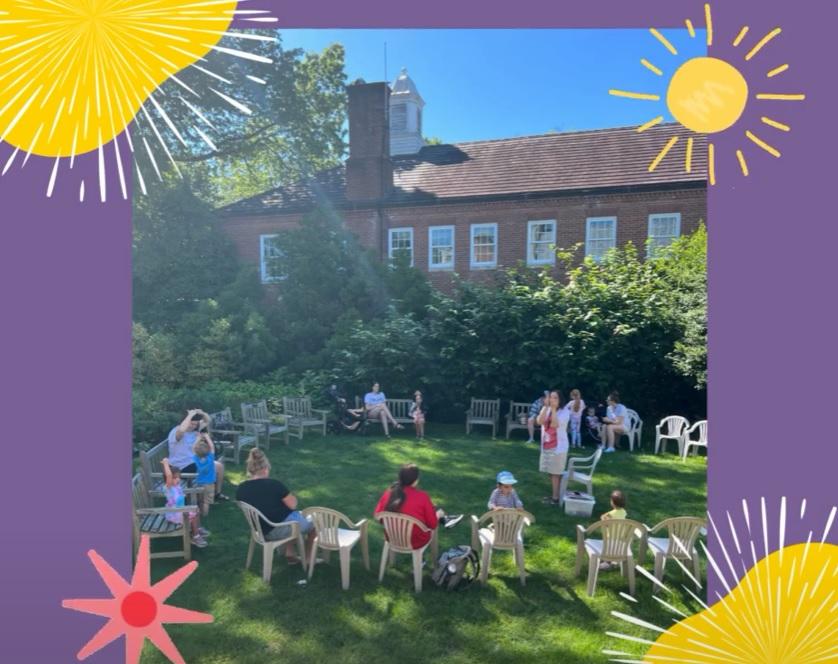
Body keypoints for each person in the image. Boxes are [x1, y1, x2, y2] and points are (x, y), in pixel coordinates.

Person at [235, 449, 313, 564]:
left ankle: (290, 553)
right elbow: (293, 505)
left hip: (260, 529)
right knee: (314, 522)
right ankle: (308, 559)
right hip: (275, 530)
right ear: (266, 469)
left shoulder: (241, 489)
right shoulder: (274, 485)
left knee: (291, 518)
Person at [374, 464, 463, 549]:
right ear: (416, 480)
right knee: (435, 511)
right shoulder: (422, 496)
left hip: (391, 537)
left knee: (431, 508)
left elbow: (378, 516)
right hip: (416, 541)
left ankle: (445, 519)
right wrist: (438, 515)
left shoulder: (389, 493)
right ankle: (444, 519)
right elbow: (432, 525)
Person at [167, 409, 228, 501]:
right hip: (181, 467)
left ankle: (217, 493)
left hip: (193, 462)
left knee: (219, 466)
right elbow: (182, 430)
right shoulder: (176, 432)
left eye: (195, 424)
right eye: (191, 424)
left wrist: (201, 413)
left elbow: (208, 420)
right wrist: (190, 415)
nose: (193, 426)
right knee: (215, 466)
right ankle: (206, 497)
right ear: (185, 421)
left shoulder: (193, 432)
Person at [161, 457, 208, 548]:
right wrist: (165, 464)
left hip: (180, 511)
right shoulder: (168, 488)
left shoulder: (176, 486)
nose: (177, 479)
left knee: (196, 510)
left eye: (178, 477)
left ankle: (197, 529)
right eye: (174, 478)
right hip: (174, 514)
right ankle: (195, 536)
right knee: (193, 515)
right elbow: (169, 476)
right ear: (168, 479)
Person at [538, 390, 570, 506]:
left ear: (560, 400)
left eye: (555, 398)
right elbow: (539, 421)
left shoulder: (565, 412)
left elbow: (555, 425)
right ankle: (554, 494)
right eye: (551, 397)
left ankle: (556, 498)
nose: (552, 400)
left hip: (558, 446)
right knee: (550, 472)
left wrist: (553, 410)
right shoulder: (546, 409)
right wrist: (546, 407)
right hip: (547, 444)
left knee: (556, 473)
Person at [599, 489, 627, 570]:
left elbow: (605, 523)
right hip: (620, 537)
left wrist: (602, 517)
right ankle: (612, 560)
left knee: (609, 549)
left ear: (612, 502)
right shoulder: (624, 512)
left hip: (610, 537)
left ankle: (607, 563)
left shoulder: (611, 514)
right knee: (613, 548)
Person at [192, 434, 216, 517]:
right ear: (208, 450)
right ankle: (205, 515)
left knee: (199, 500)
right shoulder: (210, 457)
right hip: (209, 483)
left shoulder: (195, 458)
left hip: (198, 482)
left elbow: (193, 448)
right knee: (206, 501)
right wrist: (207, 437)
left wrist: (198, 438)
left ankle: (197, 514)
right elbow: (212, 447)